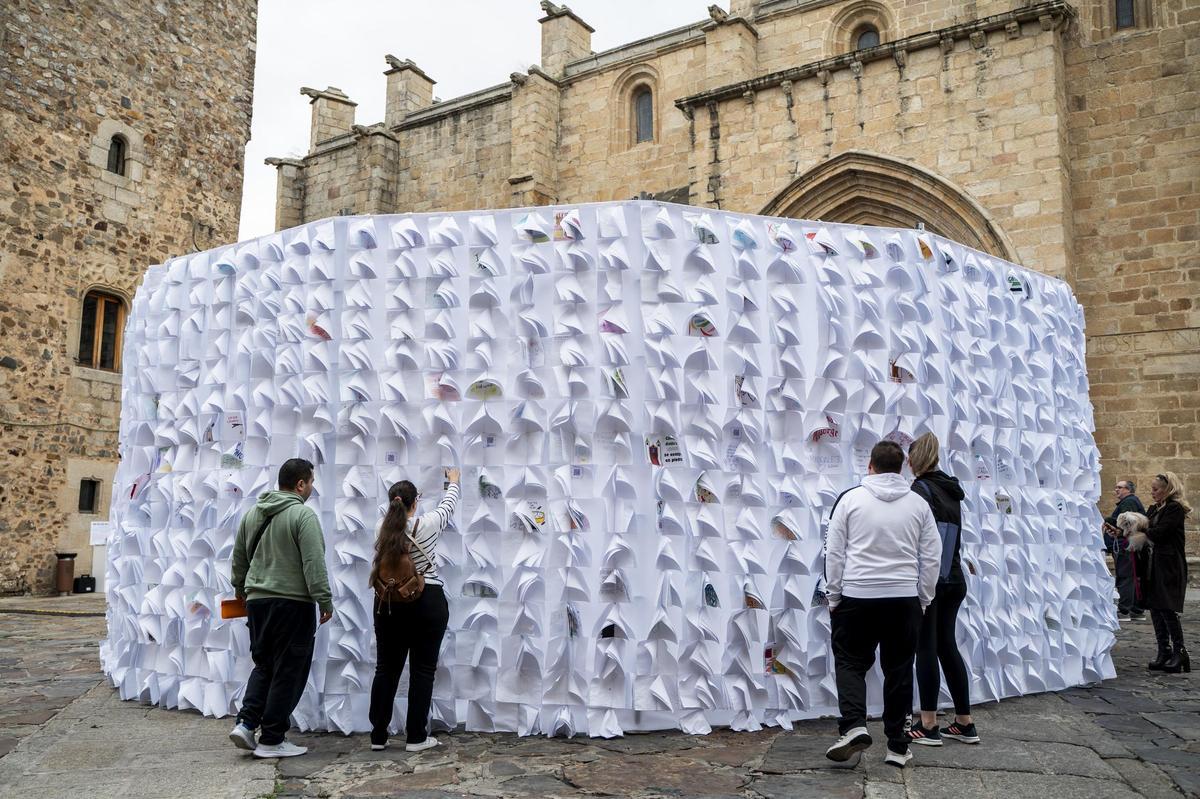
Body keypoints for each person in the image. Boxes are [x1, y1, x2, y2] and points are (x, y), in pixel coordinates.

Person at [824, 440, 941, 768]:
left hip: (857, 594)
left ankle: (854, 726)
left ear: (870, 465)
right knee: (899, 670)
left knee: (850, 662)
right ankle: (898, 746)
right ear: (902, 467)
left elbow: (834, 552)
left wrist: (834, 595)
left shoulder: (850, 499)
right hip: (903, 597)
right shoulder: (918, 504)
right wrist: (923, 598)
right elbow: (932, 556)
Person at [228, 458, 333, 759]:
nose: (311, 488)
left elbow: (239, 558)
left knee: (264, 665)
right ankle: (272, 739)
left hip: (257, 602)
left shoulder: (253, 513)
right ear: (300, 484)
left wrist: (241, 590)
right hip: (292, 603)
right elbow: (313, 562)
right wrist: (324, 600)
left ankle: (246, 723)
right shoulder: (303, 515)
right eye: (311, 482)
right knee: (289, 670)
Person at [368, 467, 461, 752]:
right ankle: (416, 737)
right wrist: (453, 482)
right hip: (427, 600)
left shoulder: (381, 529)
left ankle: (378, 736)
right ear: (415, 503)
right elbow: (448, 506)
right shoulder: (428, 523)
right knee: (423, 670)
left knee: (386, 668)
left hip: (388, 603)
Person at [903, 433, 980, 747]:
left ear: (915, 460)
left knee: (926, 648)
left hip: (932, 579)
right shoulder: (951, 489)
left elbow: (918, 537)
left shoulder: (919, 490)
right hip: (954, 578)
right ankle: (964, 721)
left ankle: (928, 724)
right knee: (947, 647)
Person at [1144, 472, 1190, 673]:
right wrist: (1121, 531)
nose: (1152, 493)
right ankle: (1164, 650)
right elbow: (1144, 527)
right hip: (1154, 564)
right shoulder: (1154, 509)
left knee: (1167, 607)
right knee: (1155, 607)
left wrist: (1138, 529)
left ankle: (1180, 652)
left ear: (1167, 489)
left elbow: (1158, 533)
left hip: (1170, 565)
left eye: (1156, 489)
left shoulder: (1174, 509)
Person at [1105, 479, 1146, 621]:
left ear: (1128, 490)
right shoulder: (1130, 502)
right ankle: (1136, 609)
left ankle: (1124, 610)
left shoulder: (1129, 502)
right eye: (1116, 487)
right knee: (1133, 576)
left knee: (1125, 576)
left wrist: (1108, 520)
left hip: (1126, 545)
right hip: (1129, 544)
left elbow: (1126, 524)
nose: (1116, 489)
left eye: (1120, 487)